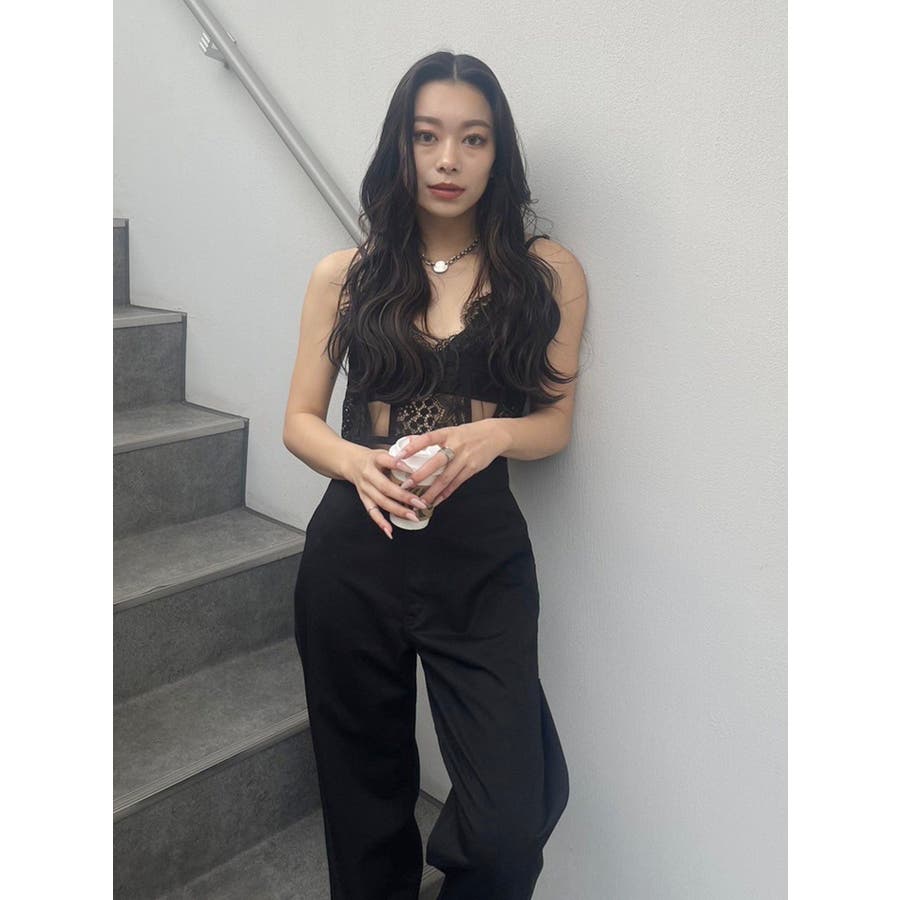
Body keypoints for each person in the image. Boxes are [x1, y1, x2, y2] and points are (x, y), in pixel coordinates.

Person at [283, 50, 588, 900]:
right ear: (402, 145)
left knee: (507, 826)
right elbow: (299, 420)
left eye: (473, 138)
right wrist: (357, 462)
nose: (448, 160)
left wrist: (493, 436)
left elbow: (555, 424)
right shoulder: (345, 275)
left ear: (498, 153)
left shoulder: (546, 272)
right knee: (363, 804)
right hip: (356, 547)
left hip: (480, 557)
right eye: (427, 136)